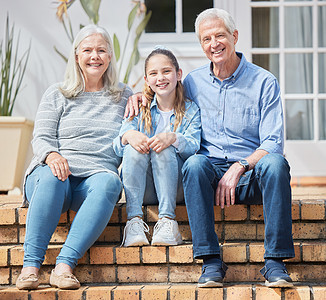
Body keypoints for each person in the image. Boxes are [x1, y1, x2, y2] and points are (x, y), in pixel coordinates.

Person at [126, 8, 294, 288]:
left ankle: (275, 263)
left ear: (234, 36)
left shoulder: (264, 82)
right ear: (201, 44)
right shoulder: (193, 82)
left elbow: (273, 142)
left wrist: (240, 167)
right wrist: (139, 97)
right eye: (206, 39)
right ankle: (210, 261)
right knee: (194, 164)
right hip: (211, 175)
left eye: (220, 35)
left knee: (276, 163)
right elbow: (166, 94)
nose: (214, 44)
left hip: (252, 174)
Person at [16, 24, 133, 290]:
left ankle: (64, 266)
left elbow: (138, 125)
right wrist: (52, 154)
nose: (95, 56)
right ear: (77, 55)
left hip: (92, 181)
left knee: (111, 182)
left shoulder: (124, 95)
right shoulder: (58, 92)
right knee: (52, 176)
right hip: (53, 176)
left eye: (101, 50)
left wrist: (141, 98)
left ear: (110, 56)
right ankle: (30, 267)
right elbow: (42, 138)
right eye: (88, 50)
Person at [113, 47, 201, 247]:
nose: (160, 78)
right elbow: (118, 148)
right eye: (153, 73)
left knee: (164, 146)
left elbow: (195, 147)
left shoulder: (191, 110)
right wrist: (128, 135)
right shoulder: (139, 107)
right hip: (143, 188)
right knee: (133, 146)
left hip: (175, 186)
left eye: (166, 71)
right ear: (146, 80)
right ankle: (134, 222)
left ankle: (167, 221)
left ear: (178, 74)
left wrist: (173, 138)